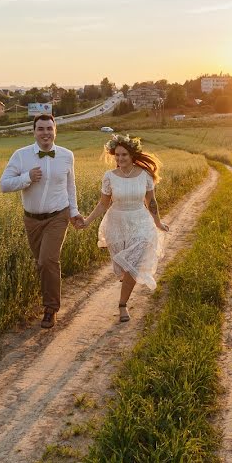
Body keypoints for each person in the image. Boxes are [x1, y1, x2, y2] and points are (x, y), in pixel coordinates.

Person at [0, 114, 84, 329]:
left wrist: (74, 212)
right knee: (41, 263)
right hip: (32, 220)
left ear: (55, 131)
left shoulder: (66, 156)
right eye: (41, 129)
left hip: (58, 215)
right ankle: (47, 297)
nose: (45, 133)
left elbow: (70, 187)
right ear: (34, 132)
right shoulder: (21, 156)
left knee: (48, 261)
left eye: (49, 128)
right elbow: (4, 185)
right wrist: (27, 177)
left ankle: (50, 309)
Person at [83, 134, 169, 322]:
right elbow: (103, 204)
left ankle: (122, 305)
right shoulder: (110, 177)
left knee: (132, 263)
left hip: (140, 221)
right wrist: (88, 221)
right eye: (117, 155)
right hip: (116, 223)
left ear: (132, 156)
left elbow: (151, 201)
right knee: (123, 267)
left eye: (124, 155)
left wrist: (158, 223)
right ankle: (126, 280)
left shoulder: (144, 176)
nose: (120, 159)